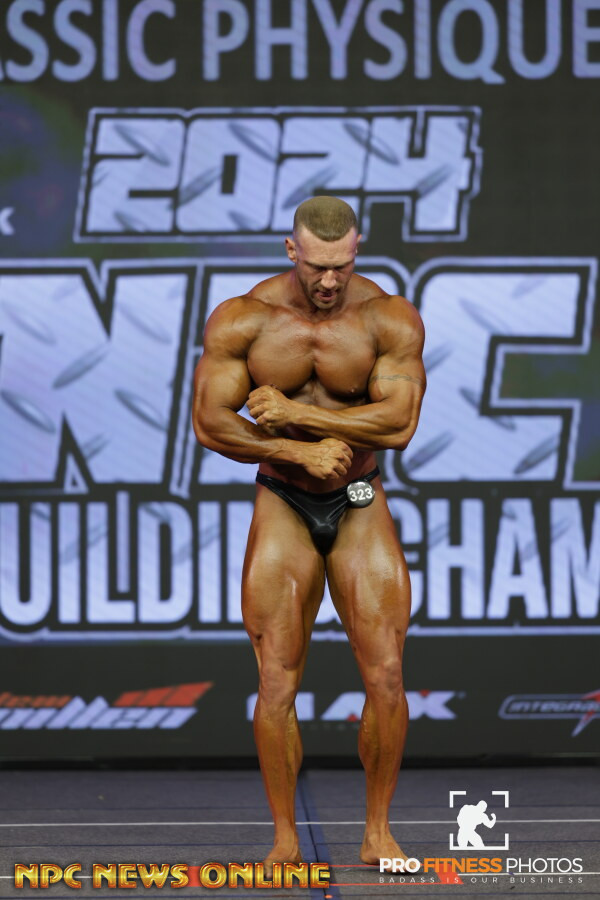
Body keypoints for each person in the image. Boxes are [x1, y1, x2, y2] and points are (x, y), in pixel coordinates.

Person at [192, 196, 426, 871]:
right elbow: (210, 422)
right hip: (283, 501)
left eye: (341, 266)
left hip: (358, 498)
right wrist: (293, 450)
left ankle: (378, 833)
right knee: (276, 680)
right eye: (317, 266)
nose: (329, 281)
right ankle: (285, 840)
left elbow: (399, 423)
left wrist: (297, 415)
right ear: (291, 250)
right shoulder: (244, 318)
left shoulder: (388, 316)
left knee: (386, 673)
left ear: (357, 251)